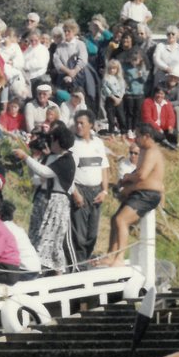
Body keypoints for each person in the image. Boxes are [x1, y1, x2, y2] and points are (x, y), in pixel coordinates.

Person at [13, 123, 77, 274]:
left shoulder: (66, 160)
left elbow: (45, 172)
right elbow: (37, 178)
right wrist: (30, 161)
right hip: (43, 200)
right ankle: (47, 273)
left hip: (56, 203)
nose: (50, 142)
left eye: (53, 140)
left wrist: (26, 157)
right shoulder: (50, 157)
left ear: (60, 142)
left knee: (49, 239)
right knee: (37, 236)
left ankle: (47, 273)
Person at [100, 124, 164, 268]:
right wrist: (126, 182)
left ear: (146, 136)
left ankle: (120, 257)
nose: (135, 139)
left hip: (148, 194)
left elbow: (142, 175)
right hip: (139, 192)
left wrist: (128, 177)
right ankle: (111, 255)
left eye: (138, 136)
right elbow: (139, 172)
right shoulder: (143, 151)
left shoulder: (152, 151)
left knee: (121, 220)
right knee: (114, 220)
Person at [69, 111, 110, 265]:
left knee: (92, 233)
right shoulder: (72, 144)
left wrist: (104, 191)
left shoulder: (98, 143)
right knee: (79, 233)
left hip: (96, 191)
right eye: (77, 123)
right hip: (80, 189)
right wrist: (74, 192)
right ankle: (78, 265)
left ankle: (86, 260)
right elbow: (68, 172)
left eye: (82, 123)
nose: (78, 126)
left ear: (91, 125)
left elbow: (104, 168)